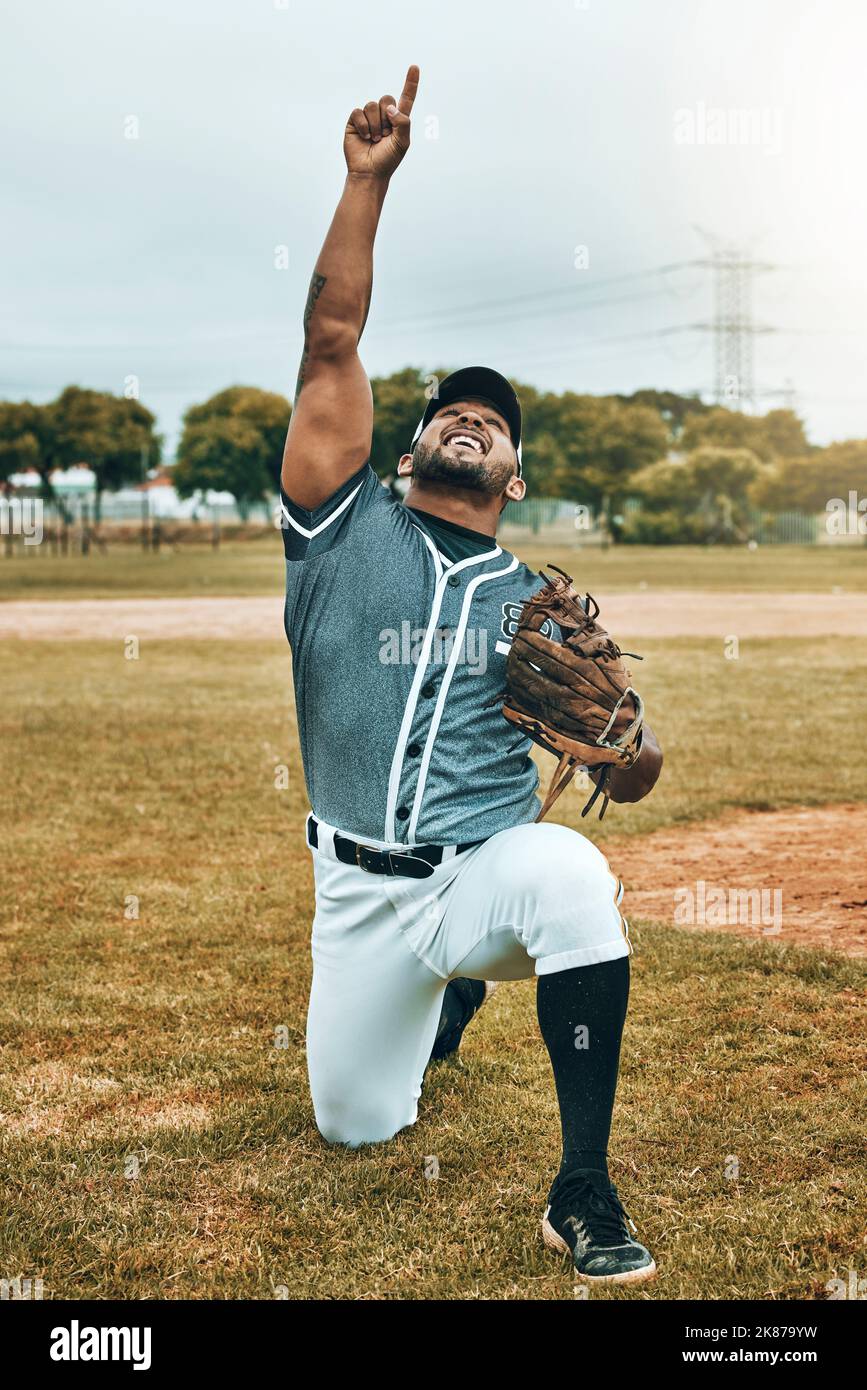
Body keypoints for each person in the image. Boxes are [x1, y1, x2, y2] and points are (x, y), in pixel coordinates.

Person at [279, 65, 663, 1285]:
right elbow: (331, 335)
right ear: (410, 444)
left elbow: (632, 768)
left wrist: (631, 749)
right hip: (358, 897)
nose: (470, 418)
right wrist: (363, 183)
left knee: (570, 877)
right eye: (451, 406)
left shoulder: (536, 602)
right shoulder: (342, 528)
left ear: (510, 473)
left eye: (492, 421)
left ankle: (583, 1185)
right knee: (355, 1123)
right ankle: (438, 1010)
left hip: (479, 874)